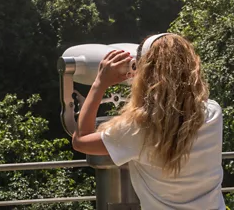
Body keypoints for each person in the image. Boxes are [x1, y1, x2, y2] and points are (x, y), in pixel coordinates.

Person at [71, 33, 225, 209]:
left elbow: (81, 140)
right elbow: (180, 108)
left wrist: (100, 83)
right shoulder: (213, 113)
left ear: (145, 72)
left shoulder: (137, 129)